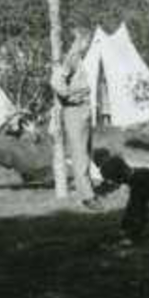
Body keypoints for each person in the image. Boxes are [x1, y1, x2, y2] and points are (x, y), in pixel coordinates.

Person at [49, 28, 100, 209]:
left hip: (84, 108)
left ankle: (88, 189)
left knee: (86, 151)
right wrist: (69, 96)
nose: (87, 45)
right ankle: (87, 197)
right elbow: (56, 81)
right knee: (80, 154)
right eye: (86, 41)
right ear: (80, 40)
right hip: (75, 110)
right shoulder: (71, 58)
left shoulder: (79, 59)